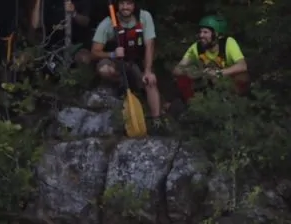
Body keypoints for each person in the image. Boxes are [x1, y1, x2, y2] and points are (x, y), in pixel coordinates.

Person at [89, 0, 162, 128]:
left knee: (150, 80)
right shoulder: (108, 23)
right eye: (122, 4)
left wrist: (148, 70)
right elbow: (94, 52)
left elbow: (150, 45)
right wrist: (112, 54)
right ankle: (122, 84)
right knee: (105, 69)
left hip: (136, 61)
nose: (125, 7)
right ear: (118, 5)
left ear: (134, 5)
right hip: (117, 61)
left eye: (129, 4)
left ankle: (157, 121)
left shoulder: (144, 17)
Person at [172, 15, 248, 104]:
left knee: (242, 76)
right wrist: (192, 72)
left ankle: (237, 102)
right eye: (200, 32)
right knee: (183, 79)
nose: (201, 35)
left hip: (228, 80)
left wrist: (218, 73)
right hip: (207, 82)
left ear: (216, 34)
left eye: (205, 32)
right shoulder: (196, 47)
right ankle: (193, 105)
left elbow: (243, 66)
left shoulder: (228, 43)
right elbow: (176, 70)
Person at [31, 0, 94, 71]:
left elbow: (86, 22)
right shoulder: (47, 2)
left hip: (76, 43)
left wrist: (74, 13)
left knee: (84, 58)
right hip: (52, 46)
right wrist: (38, 2)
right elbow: (35, 24)